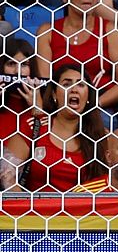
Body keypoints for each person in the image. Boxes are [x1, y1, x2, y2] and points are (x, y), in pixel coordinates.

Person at [37, 0, 118, 112]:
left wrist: (93, 105)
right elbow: (44, 83)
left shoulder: (109, 30)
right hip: (60, 107)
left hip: (100, 106)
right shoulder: (47, 32)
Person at [4, 63, 105, 192]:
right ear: (54, 94)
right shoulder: (34, 127)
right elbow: (7, 176)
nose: (74, 89)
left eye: (80, 84)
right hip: (36, 210)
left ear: (88, 97)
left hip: (80, 211)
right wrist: (25, 208)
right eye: (66, 84)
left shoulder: (99, 137)